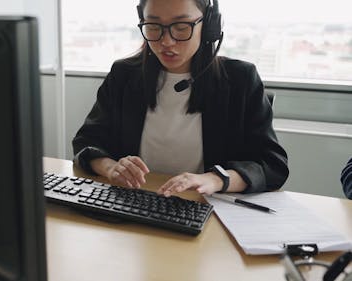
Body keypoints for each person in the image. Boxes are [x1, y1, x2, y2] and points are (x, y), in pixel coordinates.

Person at [72, 0, 289, 197]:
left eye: (181, 27)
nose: (166, 41)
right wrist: (111, 167)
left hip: (206, 208)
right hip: (135, 203)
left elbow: (272, 166)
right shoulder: (124, 75)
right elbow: (86, 142)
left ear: (209, 26)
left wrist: (215, 179)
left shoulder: (240, 80)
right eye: (154, 27)